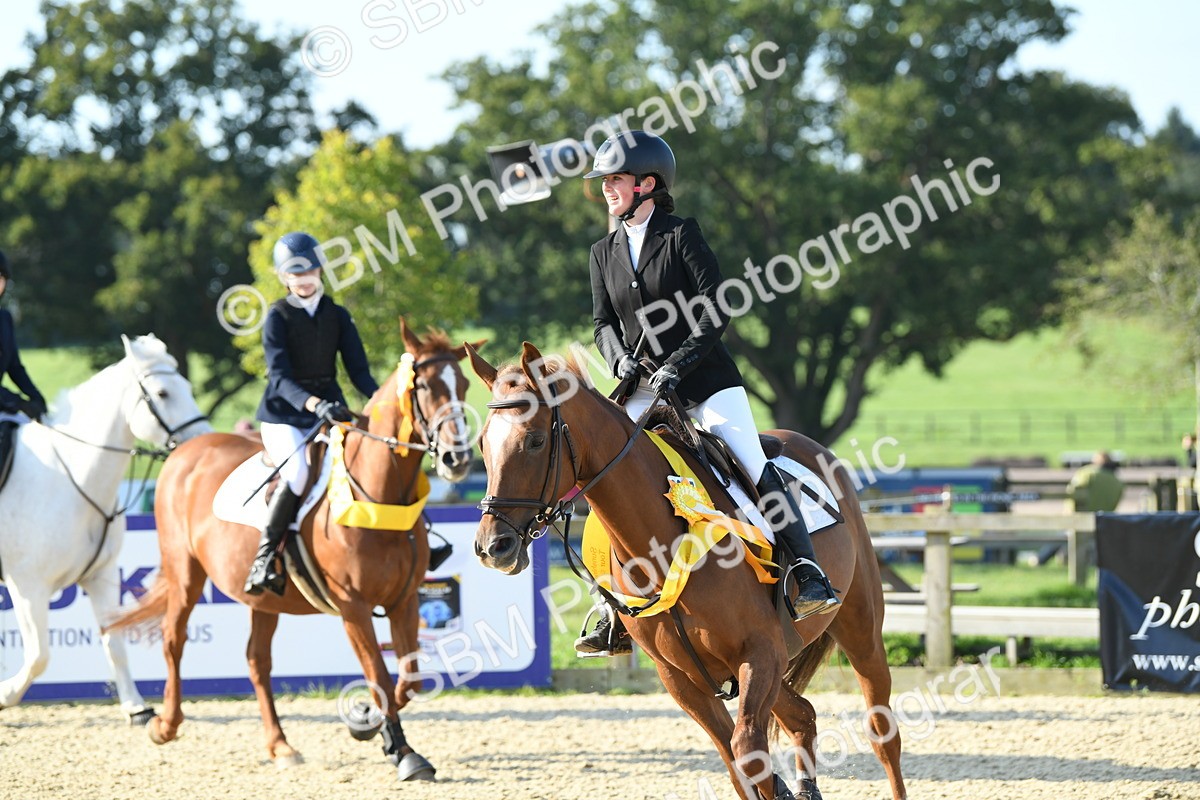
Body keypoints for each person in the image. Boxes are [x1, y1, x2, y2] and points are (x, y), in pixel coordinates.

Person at [575, 131, 838, 657]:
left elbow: (715, 310)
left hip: (703, 382)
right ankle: (609, 600)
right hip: (641, 386)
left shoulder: (680, 236)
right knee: (603, 472)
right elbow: (603, 323)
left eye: (616, 180)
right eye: (604, 181)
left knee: (748, 459)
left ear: (647, 184)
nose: (607, 188)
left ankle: (807, 572)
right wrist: (618, 359)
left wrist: (677, 365)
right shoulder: (602, 251)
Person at [245, 232, 380, 596]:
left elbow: (360, 373)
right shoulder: (277, 316)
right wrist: (313, 404)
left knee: (369, 459)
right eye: (294, 273)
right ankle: (265, 558)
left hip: (330, 410)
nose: (303, 279)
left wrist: (385, 403)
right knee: (300, 472)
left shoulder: (337, 315)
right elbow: (280, 377)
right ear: (283, 277)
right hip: (285, 413)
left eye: (308, 270)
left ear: (320, 270)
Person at [0, 249, 48, 482]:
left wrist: (36, 397)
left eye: (0, 278)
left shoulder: (4, 319)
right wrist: (17, 402)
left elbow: (15, 367)